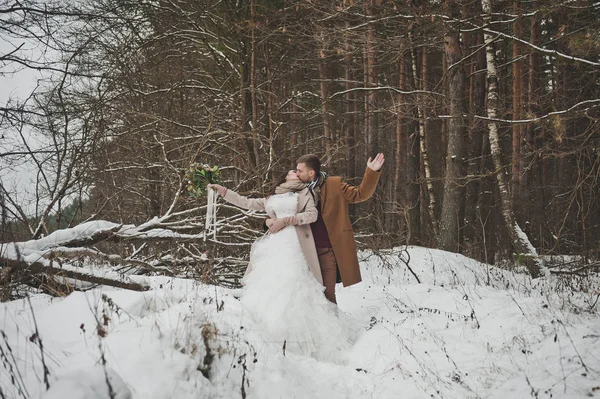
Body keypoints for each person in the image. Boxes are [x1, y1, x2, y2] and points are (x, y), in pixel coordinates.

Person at [207, 170, 352, 362]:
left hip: (296, 242)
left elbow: (312, 215)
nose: (296, 173)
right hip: (275, 244)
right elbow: (246, 203)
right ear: (285, 177)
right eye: (293, 171)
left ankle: (300, 342)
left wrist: (286, 220)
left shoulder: (304, 193)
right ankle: (265, 336)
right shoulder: (272, 196)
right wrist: (223, 191)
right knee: (270, 284)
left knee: (294, 284)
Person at [295, 153, 385, 304]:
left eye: (300, 171)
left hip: (326, 251)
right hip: (303, 252)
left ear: (311, 172)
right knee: (306, 296)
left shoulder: (334, 184)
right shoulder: (295, 189)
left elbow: (360, 194)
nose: (296, 173)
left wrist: (371, 172)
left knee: (328, 296)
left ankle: (334, 327)